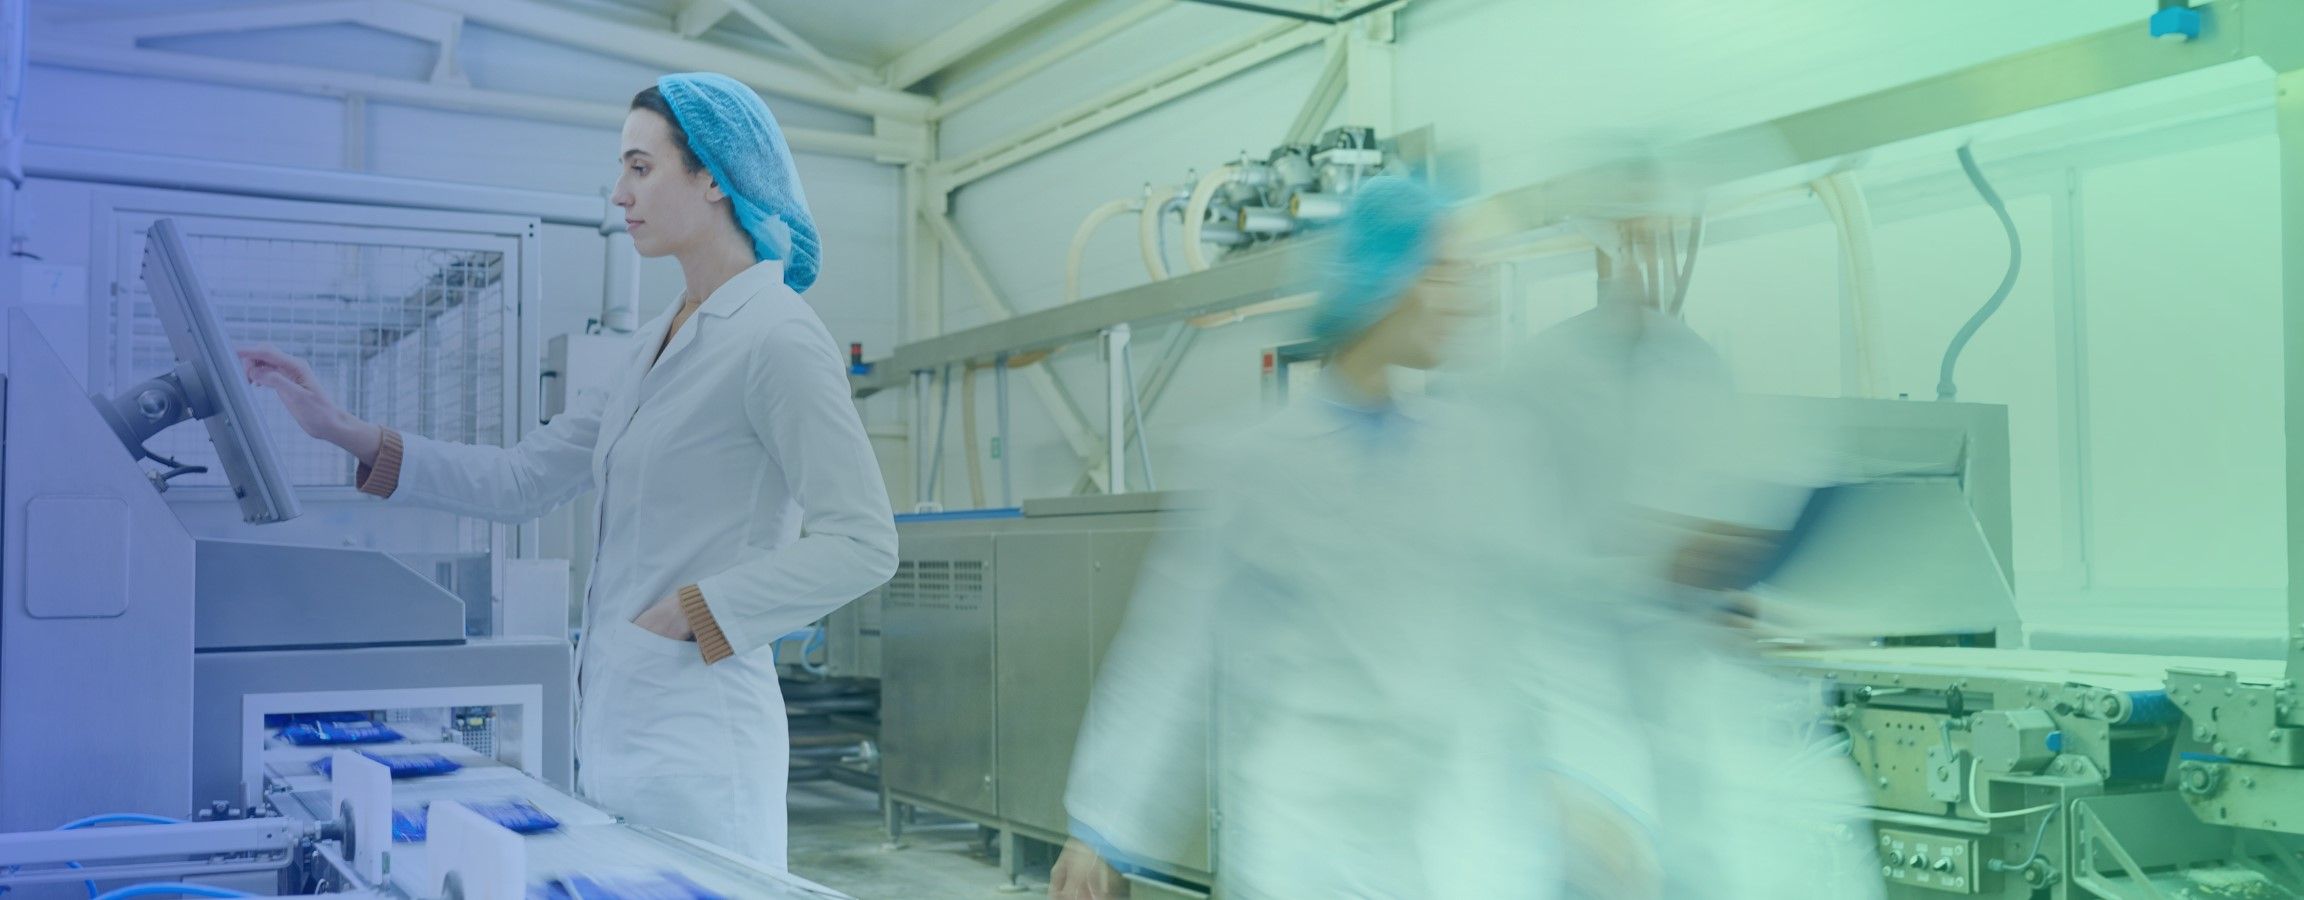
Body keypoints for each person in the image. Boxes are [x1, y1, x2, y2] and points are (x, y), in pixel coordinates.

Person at [238, 72, 897, 868]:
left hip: (703, 746)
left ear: (715, 176)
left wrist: (694, 611)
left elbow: (863, 540)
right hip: (617, 735)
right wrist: (346, 433)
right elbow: (522, 481)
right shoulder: (654, 340)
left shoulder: (776, 335)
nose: (619, 194)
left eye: (641, 168)